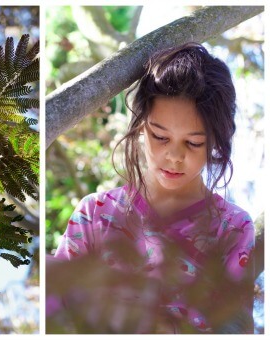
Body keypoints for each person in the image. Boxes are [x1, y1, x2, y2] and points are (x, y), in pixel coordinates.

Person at [51, 43, 255, 333]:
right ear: (140, 127)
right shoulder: (95, 214)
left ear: (215, 143)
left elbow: (235, 329)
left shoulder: (232, 228)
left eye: (193, 143)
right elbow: (57, 311)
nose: (174, 156)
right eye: (160, 137)